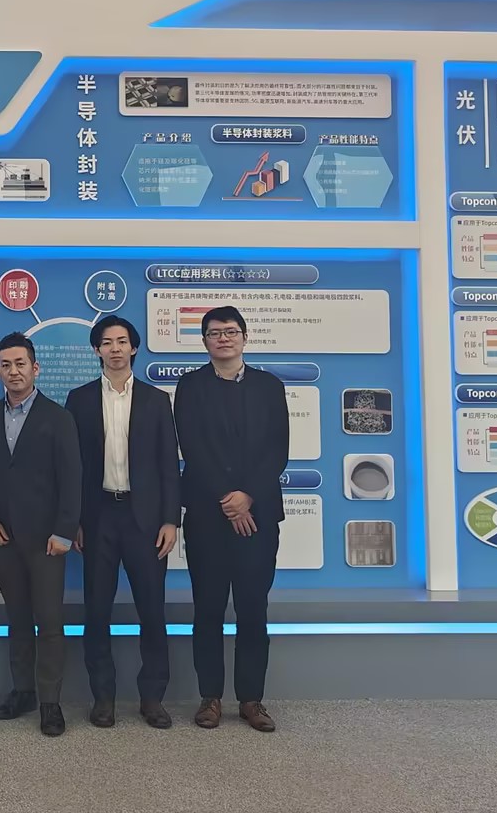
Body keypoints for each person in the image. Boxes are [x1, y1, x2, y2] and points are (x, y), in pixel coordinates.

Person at [175, 305, 288, 733]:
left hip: (258, 517)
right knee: (207, 609)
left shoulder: (269, 386)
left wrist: (247, 497)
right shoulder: (190, 386)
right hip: (208, 514)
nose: (223, 338)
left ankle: (252, 699)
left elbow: (277, 449)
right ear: (204, 341)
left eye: (230, 331)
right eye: (214, 332)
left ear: (244, 336)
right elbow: (192, 445)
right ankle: (210, 697)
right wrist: (228, 498)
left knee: (253, 609)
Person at [64, 316, 179, 731]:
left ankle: (153, 697)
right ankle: (104, 698)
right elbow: (72, 467)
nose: (115, 348)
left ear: (133, 348)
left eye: (122, 341)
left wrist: (170, 520)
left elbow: (169, 464)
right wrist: (75, 520)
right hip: (98, 517)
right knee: (97, 611)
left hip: (144, 518)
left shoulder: (155, 400)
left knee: (152, 611)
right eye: (107, 342)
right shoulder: (79, 400)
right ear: (96, 350)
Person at [0, 331, 81, 737]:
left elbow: (72, 479)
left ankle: (50, 702)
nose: (13, 371)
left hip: (46, 540)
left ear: (35, 368)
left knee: (49, 622)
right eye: (6, 365)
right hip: (4, 538)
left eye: (20, 364)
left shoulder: (58, 417)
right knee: (17, 619)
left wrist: (64, 531)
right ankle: (23, 692)